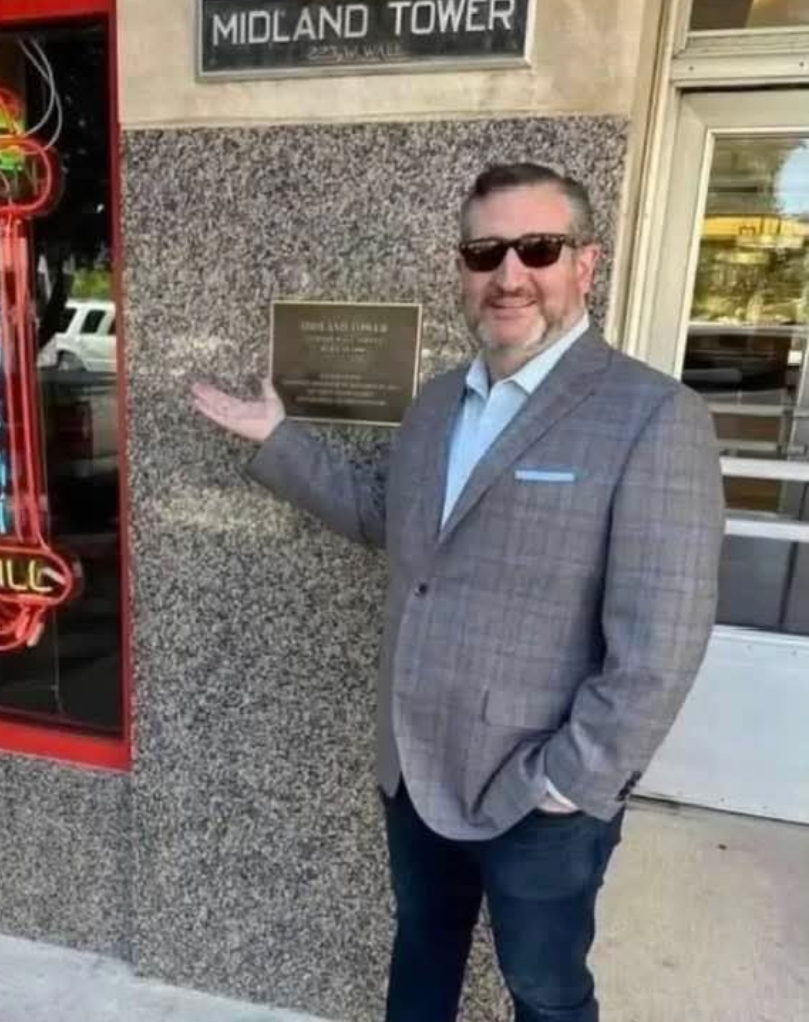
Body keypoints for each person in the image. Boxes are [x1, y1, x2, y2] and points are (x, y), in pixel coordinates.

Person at [190, 161, 726, 1022]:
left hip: (539, 791)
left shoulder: (653, 416)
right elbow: (387, 516)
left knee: (545, 990)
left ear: (585, 263)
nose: (509, 274)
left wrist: (570, 781)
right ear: (463, 269)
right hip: (414, 767)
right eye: (485, 253)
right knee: (423, 949)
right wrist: (280, 439)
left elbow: (661, 643)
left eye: (538, 248)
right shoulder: (439, 402)